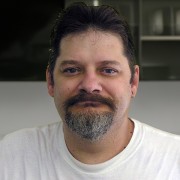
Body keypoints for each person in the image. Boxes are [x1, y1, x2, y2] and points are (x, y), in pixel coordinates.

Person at [0, 2, 180, 180]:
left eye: (108, 70)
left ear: (133, 81)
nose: (90, 85)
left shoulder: (173, 161)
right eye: (72, 69)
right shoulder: (9, 156)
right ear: (50, 81)